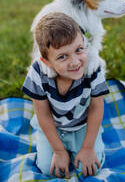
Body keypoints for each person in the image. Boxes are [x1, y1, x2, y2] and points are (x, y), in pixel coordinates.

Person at [22, 12, 109, 179]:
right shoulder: (38, 72)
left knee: (89, 169)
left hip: (82, 125)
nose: (75, 61)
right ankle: (62, 150)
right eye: (62, 56)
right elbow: (43, 114)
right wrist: (58, 151)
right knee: (49, 169)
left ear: (84, 44)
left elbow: (96, 106)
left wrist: (88, 148)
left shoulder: (92, 67)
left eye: (79, 50)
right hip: (53, 127)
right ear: (46, 61)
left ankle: (85, 146)